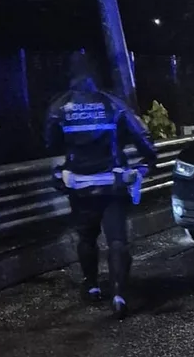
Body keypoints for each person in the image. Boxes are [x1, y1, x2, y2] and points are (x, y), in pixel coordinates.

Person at [45, 54, 158, 319]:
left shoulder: (58, 107)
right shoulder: (114, 104)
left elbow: (50, 143)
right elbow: (146, 145)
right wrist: (141, 168)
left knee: (86, 238)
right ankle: (119, 294)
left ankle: (92, 286)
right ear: (98, 75)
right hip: (112, 184)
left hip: (79, 186)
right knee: (117, 240)